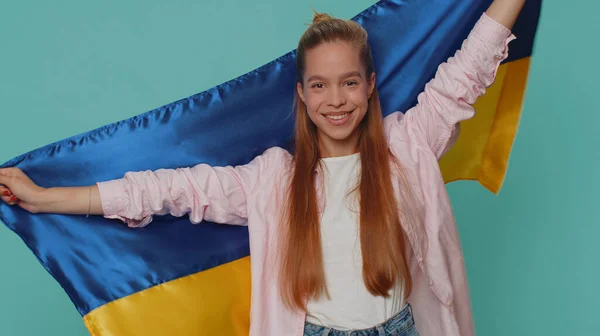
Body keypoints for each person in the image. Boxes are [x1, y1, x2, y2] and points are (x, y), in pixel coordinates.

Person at [0, 1, 525, 335]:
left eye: (349, 82)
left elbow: (471, 68)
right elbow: (169, 190)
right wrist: (46, 198)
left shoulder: (407, 146)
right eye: (319, 85)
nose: (335, 99)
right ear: (301, 94)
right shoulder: (271, 180)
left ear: (369, 88)